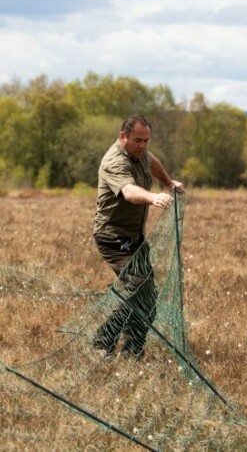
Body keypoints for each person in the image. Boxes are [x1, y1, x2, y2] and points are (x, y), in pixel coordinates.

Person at [92, 114, 184, 360]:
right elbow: (129, 191)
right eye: (137, 140)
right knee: (139, 291)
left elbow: (152, 162)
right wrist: (153, 197)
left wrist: (167, 182)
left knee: (148, 296)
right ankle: (102, 342)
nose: (142, 146)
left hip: (134, 236)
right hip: (113, 237)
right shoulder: (114, 162)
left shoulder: (141, 153)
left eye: (146, 140)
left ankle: (133, 350)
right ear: (123, 137)